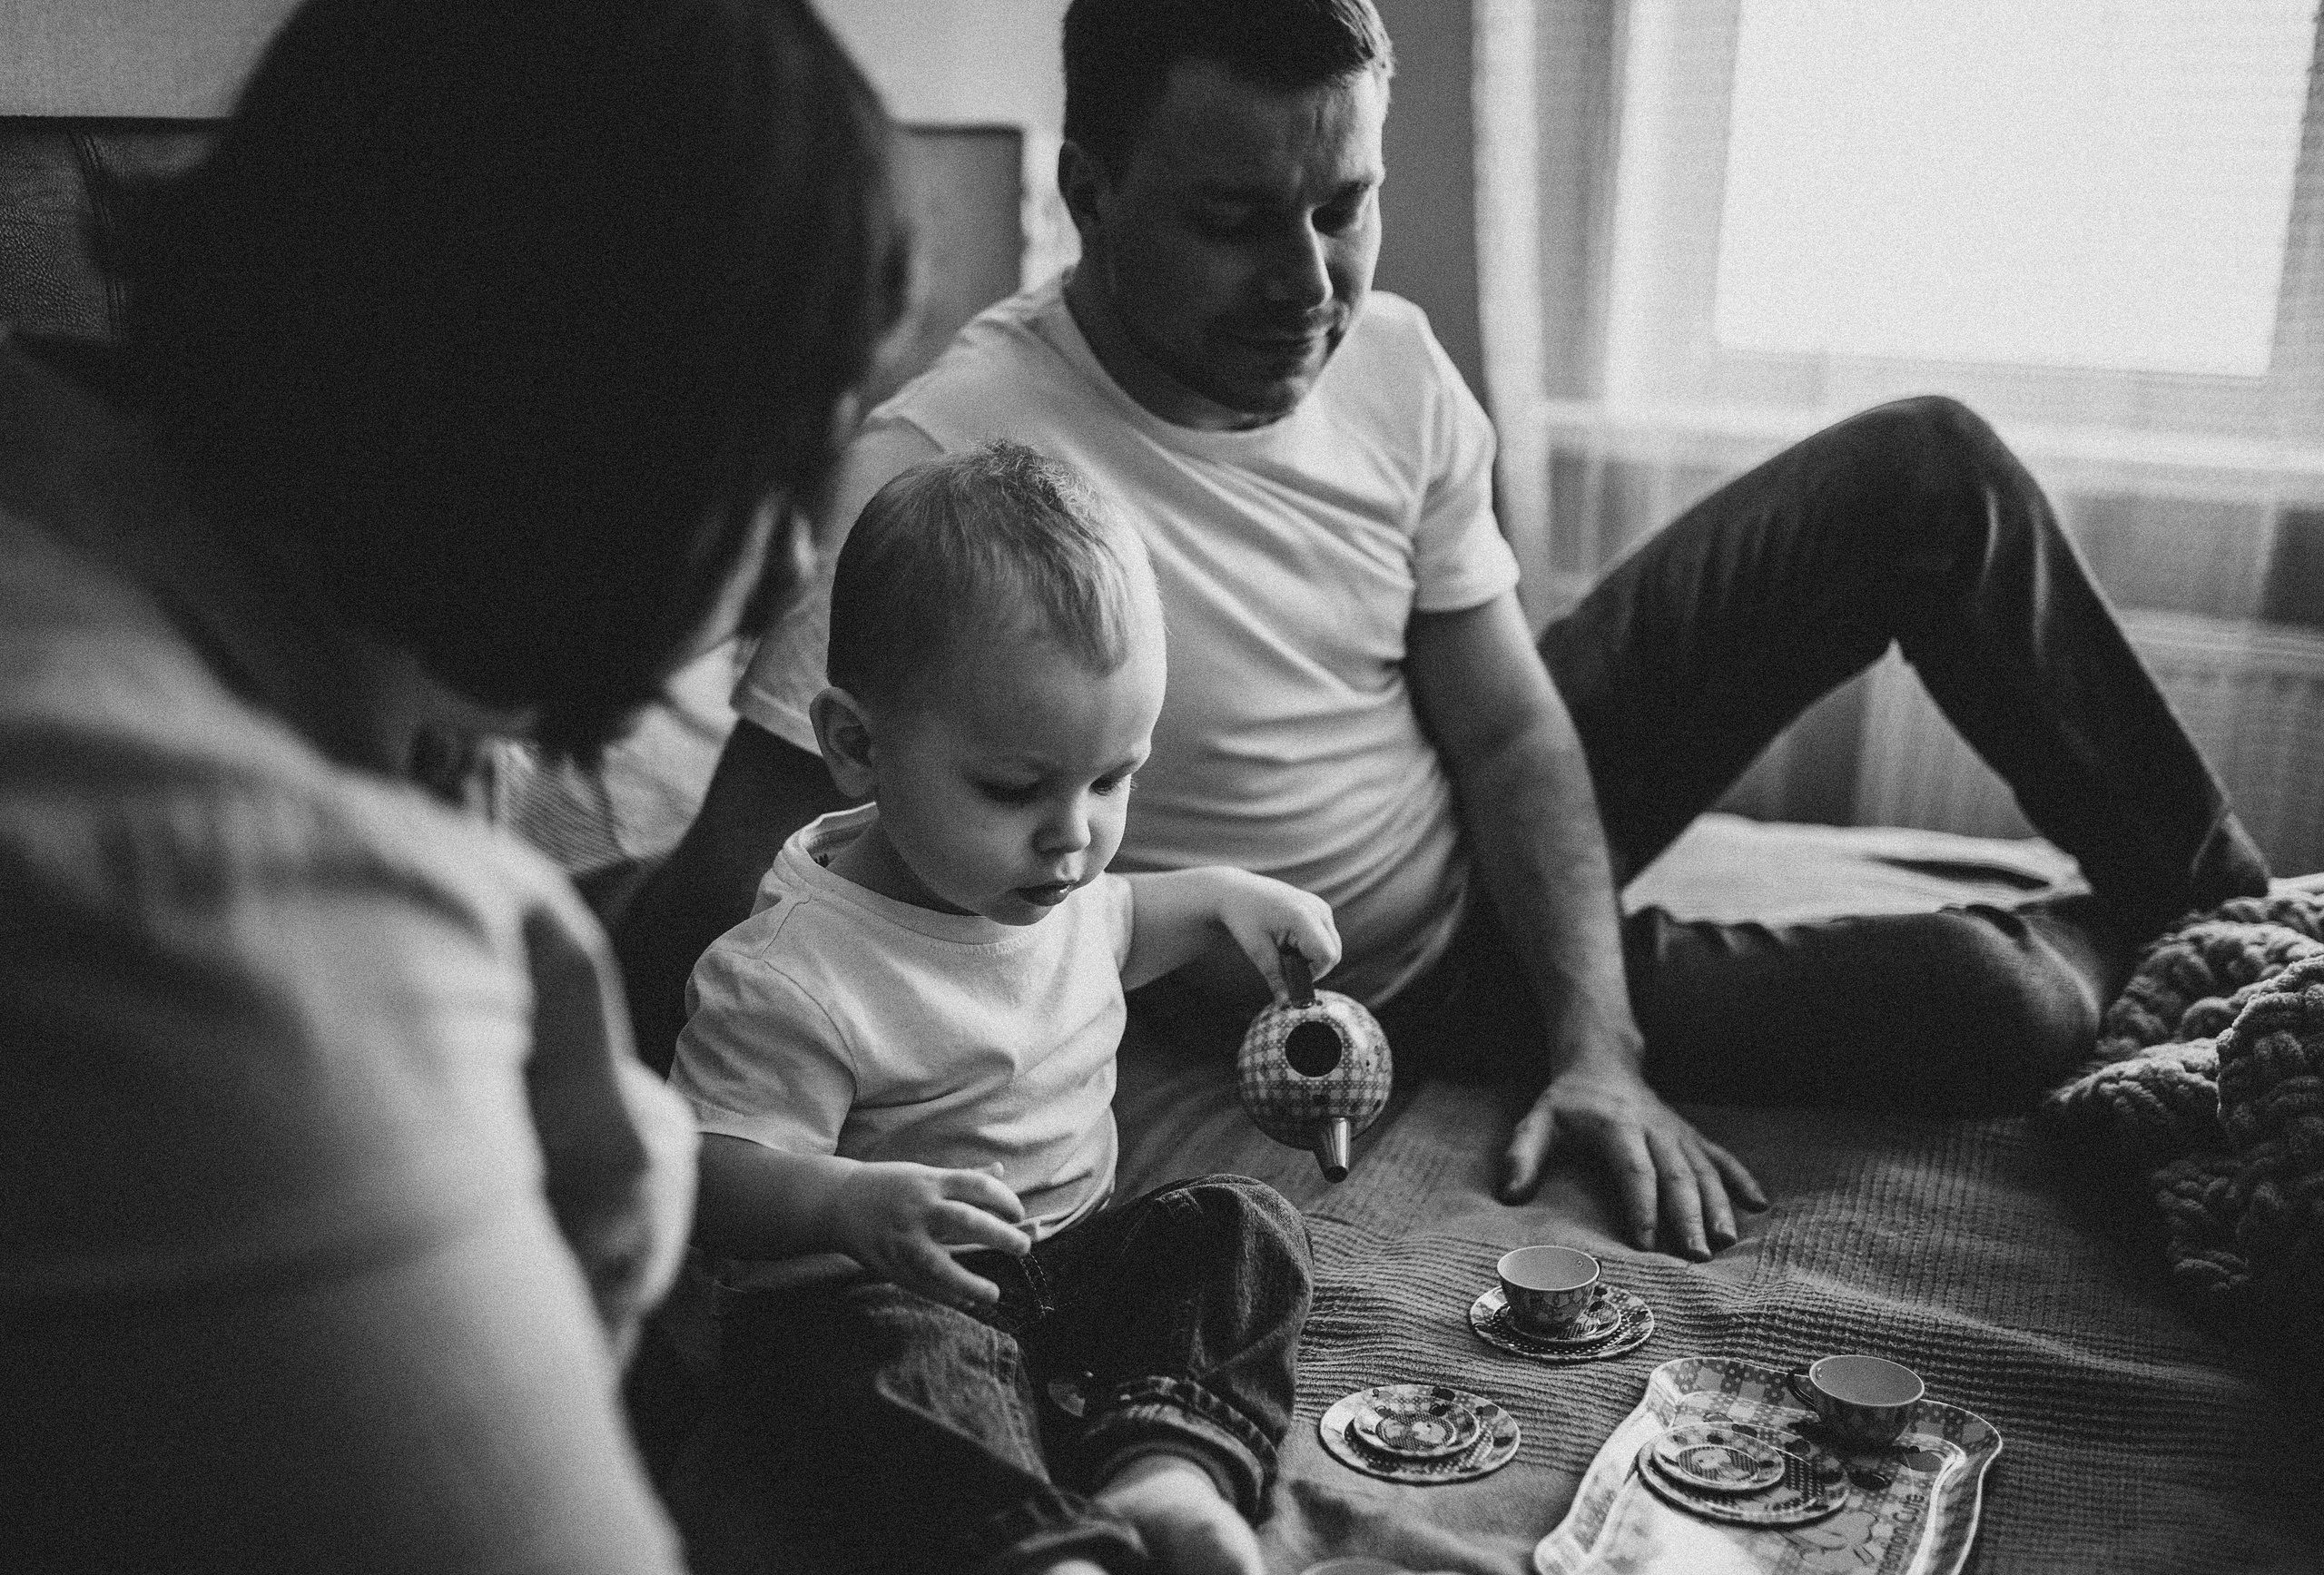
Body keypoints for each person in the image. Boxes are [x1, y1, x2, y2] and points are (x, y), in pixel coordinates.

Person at [616, 0, 2270, 1268]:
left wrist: (1602, 1047)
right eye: (1237, 220)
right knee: (2012, 1010)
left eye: (1345, 205)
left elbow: (1507, 727)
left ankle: (2245, 931)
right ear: (1089, 192)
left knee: (1928, 473)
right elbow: (745, 883)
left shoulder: (1392, 362)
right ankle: (2097, 949)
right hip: (1374, 980)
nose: (1311, 283)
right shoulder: (940, 469)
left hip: (1475, 828)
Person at [0, 2, 906, 1571]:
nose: (795, 559)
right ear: (613, 438)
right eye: (787, 464)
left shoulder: (100, 529)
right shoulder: (219, 905)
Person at [672, 442, 1334, 1575]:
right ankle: (1029, 1543)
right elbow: (704, 1169)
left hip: (1067, 1266)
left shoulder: (1050, 885)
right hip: (881, 1295)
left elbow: (1126, 920)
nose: (1073, 833)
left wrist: (1229, 900)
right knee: (885, 1366)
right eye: (1015, 788)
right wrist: (849, 1207)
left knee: (1236, 1227)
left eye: (1114, 778)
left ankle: (1163, 1468)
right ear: (854, 746)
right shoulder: (792, 973)